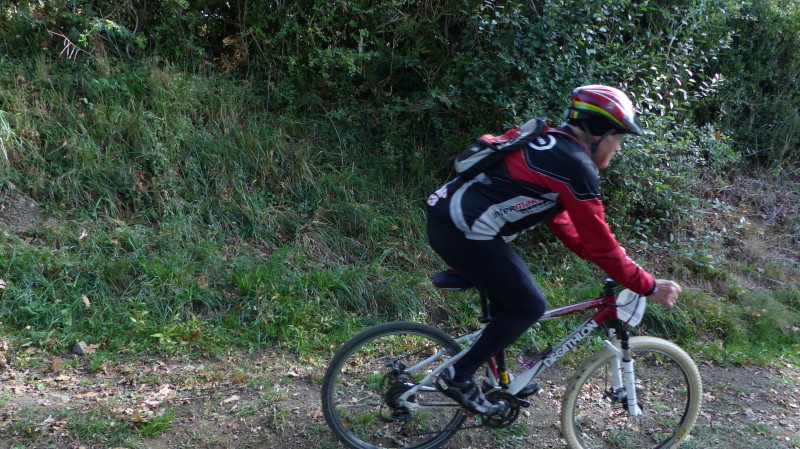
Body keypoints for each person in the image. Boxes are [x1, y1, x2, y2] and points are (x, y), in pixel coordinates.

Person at [425, 85, 682, 415]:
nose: (618, 148)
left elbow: (565, 223)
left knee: (510, 301)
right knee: (530, 305)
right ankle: (458, 377)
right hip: (464, 230)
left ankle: (497, 380)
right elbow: (601, 245)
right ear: (599, 133)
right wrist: (647, 284)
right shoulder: (575, 165)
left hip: (451, 222)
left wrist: (610, 263)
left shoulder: (554, 146)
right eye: (618, 138)